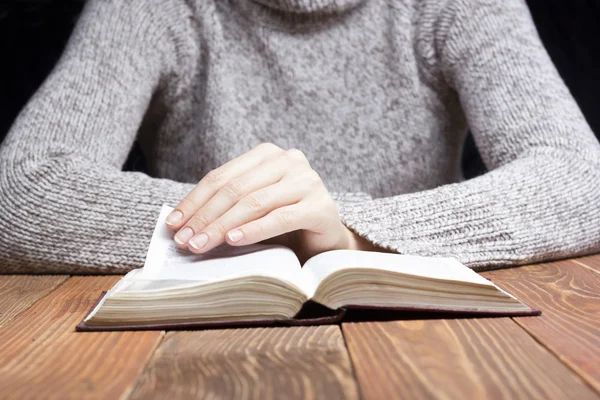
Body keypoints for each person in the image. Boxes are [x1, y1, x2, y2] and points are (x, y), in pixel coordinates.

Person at [0, 0, 598, 274]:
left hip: (435, 336)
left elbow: (579, 176)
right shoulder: (150, 8)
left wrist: (350, 233)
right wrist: (272, 227)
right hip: (199, 344)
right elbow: (18, 190)